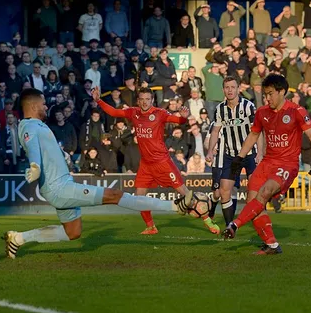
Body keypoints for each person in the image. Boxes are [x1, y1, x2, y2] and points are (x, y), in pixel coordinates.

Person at [3, 88, 198, 259]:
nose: (47, 107)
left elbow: (44, 148)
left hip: (59, 185)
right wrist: (35, 166)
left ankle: (19, 238)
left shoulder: (39, 125)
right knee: (114, 195)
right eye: (44, 104)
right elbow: (32, 148)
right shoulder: (28, 126)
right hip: (59, 188)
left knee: (73, 232)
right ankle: (175, 207)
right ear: (34, 105)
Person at [93, 86, 220, 235]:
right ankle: (151, 226)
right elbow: (114, 112)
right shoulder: (134, 112)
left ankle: (207, 220)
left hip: (162, 162)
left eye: (148, 99)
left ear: (152, 100)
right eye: (142, 99)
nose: (145, 102)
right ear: (138, 101)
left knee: (185, 193)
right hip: (146, 165)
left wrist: (184, 117)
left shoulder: (159, 113)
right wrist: (98, 100)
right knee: (139, 198)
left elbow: (177, 119)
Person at [221, 74, 311, 255]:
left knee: (265, 192)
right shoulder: (262, 112)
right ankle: (272, 245)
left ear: (282, 92)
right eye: (265, 94)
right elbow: (253, 135)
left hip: (287, 165)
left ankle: (234, 224)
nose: (267, 98)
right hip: (267, 162)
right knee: (253, 203)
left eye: (270, 94)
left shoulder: (296, 111)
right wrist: (239, 157)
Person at [206, 77, 262, 226]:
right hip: (230, 155)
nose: (230, 90)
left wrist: (260, 153)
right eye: (227, 87)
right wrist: (210, 151)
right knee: (224, 191)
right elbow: (215, 131)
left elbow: (258, 131)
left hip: (250, 154)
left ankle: (257, 221)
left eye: (232, 87)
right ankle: (230, 226)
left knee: (254, 191)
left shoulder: (248, 106)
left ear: (238, 89)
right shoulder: (220, 109)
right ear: (223, 90)